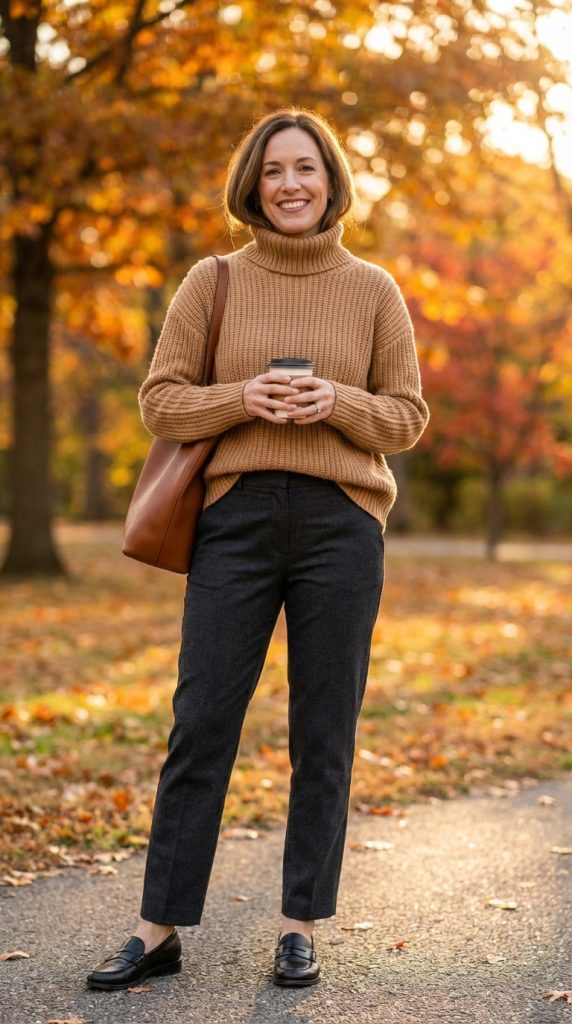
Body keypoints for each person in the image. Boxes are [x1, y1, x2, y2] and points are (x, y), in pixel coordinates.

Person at [86, 107, 429, 991]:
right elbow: (161, 402)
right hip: (234, 522)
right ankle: (157, 927)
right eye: (274, 170)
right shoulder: (213, 281)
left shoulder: (375, 290)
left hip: (341, 526)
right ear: (253, 183)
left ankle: (299, 926)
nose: (290, 184)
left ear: (330, 180)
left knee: (325, 731)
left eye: (305, 169)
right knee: (201, 723)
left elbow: (409, 417)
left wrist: (337, 407)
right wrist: (244, 396)